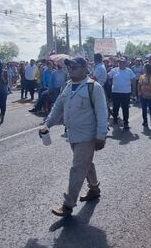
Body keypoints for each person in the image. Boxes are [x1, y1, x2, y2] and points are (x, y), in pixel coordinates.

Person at [43, 57, 108, 217]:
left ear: (85, 68)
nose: (70, 69)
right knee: (86, 163)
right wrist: (47, 124)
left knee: (77, 168)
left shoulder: (94, 87)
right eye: (69, 67)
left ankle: (68, 204)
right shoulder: (67, 86)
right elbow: (58, 107)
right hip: (72, 135)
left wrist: (101, 135)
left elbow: (102, 112)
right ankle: (94, 188)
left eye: (74, 67)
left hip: (88, 135)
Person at [107, 57, 136, 130]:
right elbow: (107, 77)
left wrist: (134, 91)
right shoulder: (114, 70)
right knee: (115, 107)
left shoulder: (129, 71)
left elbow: (133, 80)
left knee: (125, 108)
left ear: (125, 63)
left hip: (126, 93)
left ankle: (126, 122)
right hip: (115, 92)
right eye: (120, 62)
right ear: (118, 63)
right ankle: (115, 119)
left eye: (123, 62)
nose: (121, 63)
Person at [138, 63, 151, 128]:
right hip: (143, 95)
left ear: (147, 69)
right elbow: (139, 85)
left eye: (144, 68)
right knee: (144, 109)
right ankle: (145, 121)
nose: (143, 69)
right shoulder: (142, 76)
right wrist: (139, 92)